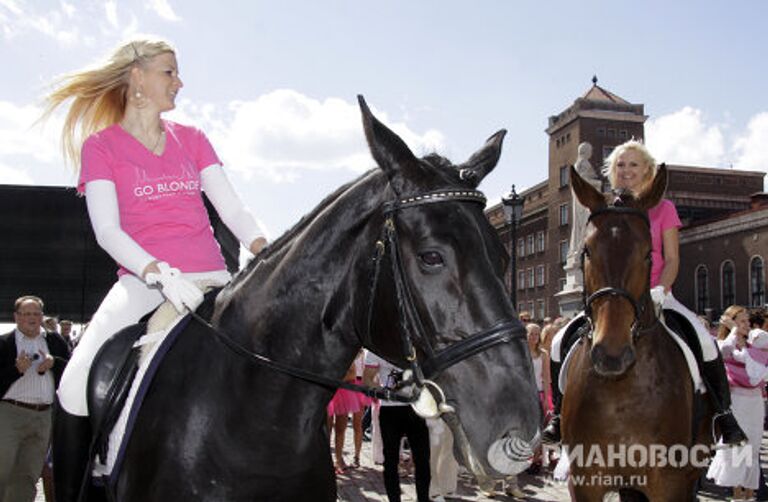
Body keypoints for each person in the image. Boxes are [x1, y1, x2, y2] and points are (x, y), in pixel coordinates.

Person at [41, 37, 267, 501]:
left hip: (213, 280)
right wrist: (157, 273)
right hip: (145, 283)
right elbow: (107, 230)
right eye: (169, 71)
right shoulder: (101, 147)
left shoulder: (193, 139)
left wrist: (265, 249)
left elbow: (233, 210)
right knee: (74, 382)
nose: (179, 82)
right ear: (137, 77)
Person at [542, 139, 746, 447]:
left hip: (655, 294)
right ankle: (559, 416)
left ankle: (723, 415)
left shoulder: (663, 208)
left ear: (647, 170)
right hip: (610, 298)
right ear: (612, 172)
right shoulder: (602, 208)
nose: (626, 171)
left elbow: (673, 258)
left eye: (634, 164)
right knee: (559, 341)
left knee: (704, 341)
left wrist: (660, 290)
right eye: (620, 165)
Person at [0, 296, 70, 502]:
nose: (32, 318)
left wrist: (53, 363)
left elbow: (70, 373)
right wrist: (15, 370)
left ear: (42, 316)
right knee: (2, 470)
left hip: (43, 416)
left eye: (36, 314)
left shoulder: (55, 341)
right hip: (9, 414)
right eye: (26, 314)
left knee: (28, 475)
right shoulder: (4, 343)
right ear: (16, 317)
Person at [707, 306, 765, 500]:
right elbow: (723, 351)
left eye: (747, 321)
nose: (746, 325)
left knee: (754, 447)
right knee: (738, 449)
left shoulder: (754, 344)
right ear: (731, 322)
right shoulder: (726, 342)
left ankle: (750, 494)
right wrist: (732, 330)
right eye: (741, 321)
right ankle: (737, 495)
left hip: (755, 402)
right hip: (737, 401)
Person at [364, 353, 430, 502]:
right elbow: (367, 379)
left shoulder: (414, 346)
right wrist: (385, 391)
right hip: (390, 410)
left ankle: (424, 499)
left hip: (415, 409)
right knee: (390, 461)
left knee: (423, 459)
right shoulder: (376, 349)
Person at [326, 354, 365, 474]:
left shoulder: (350, 358)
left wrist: (335, 378)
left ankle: (338, 460)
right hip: (329, 392)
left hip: (343, 393)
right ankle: (326, 460)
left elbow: (352, 375)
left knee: (340, 429)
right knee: (327, 428)